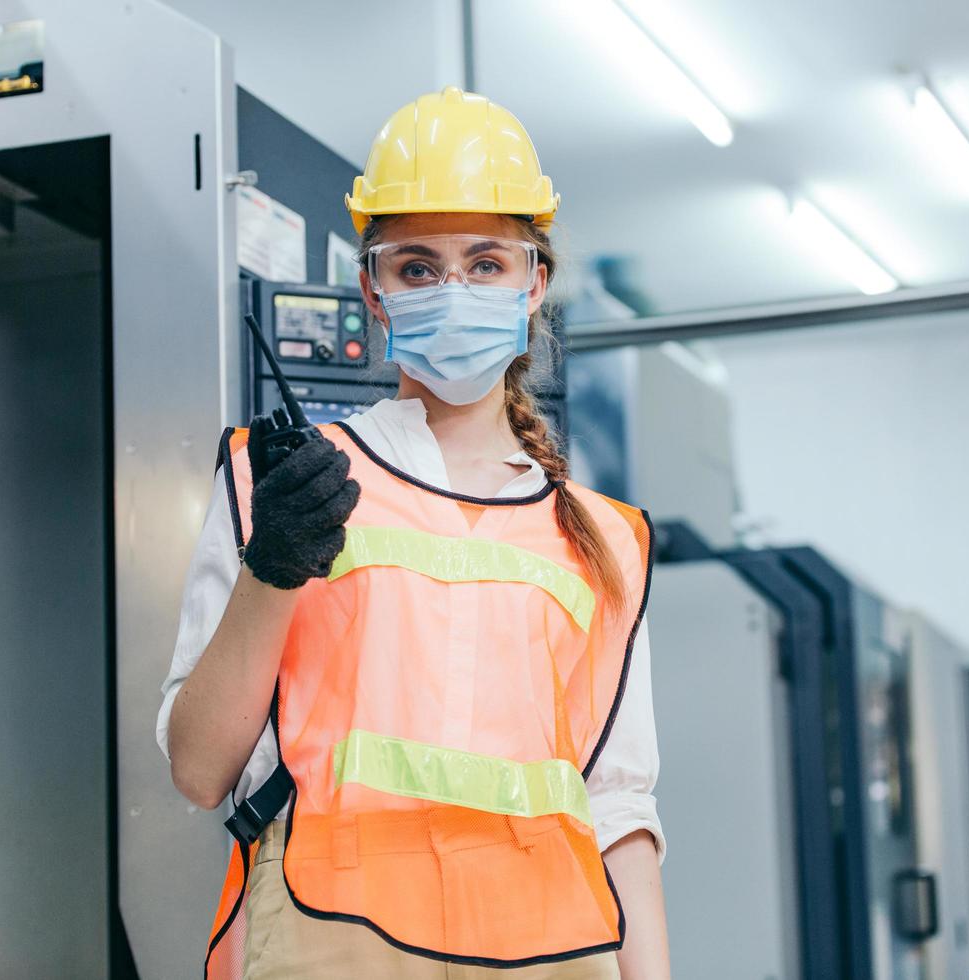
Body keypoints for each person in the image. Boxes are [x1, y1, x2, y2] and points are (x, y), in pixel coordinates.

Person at [158, 86, 669, 979]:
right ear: (373, 288)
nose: (453, 290)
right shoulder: (278, 481)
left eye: (485, 263)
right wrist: (271, 568)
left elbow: (619, 810)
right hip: (330, 945)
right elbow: (200, 770)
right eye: (417, 268)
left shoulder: (604, 539)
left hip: (551, 957)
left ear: (534, 280)